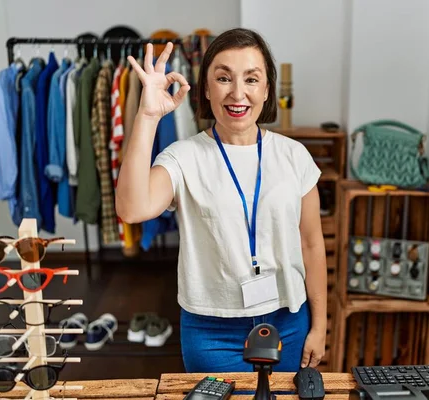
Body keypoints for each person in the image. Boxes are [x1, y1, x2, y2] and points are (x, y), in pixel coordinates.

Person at [116, 28, 327, 373]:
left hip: (288, 321)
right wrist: (149, 116)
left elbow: (311, 244)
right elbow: (132, 208)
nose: (238, 93)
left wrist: (319, 326)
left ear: (267, 89)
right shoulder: (183, 157)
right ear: (207, 89)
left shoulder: (295, 156)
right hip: (212, 329)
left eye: (251, 79)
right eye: (224, 78)